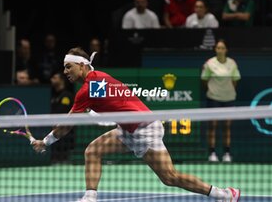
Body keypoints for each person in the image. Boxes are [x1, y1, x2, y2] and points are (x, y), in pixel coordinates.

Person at [32, 47, 241, 202]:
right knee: (92, 151)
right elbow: (110, 102)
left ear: (82, 65)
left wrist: (46, 142)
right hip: (128, 129)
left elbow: (68, 124)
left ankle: (223, 194)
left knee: (170, 177)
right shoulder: (96, 82)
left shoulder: (89, 87)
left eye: (69, 66)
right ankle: (89, 197)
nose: (66, 71)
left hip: (144, 129)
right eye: (64, 68)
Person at [201, 39, 241, 163]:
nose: (220, 50)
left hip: (229, 99)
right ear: (215, 49)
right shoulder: (209, 63)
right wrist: (214, 91)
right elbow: (204, 80)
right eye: (218, 48)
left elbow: (235, 81)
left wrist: (227, 92)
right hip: (213, 99)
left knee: (227, 127)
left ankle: (226, 154)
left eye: (222, 48)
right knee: (212, 126)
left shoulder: (232, 63)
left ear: (226, 50)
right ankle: (212, 153)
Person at [50, 71, 74, 163]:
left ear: (61, 80)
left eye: (55, 78)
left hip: (65, 130)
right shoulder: (54, 95)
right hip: (55, 129)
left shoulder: (66, 95)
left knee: (64, 154)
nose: (51, 80)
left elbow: (64, 112)